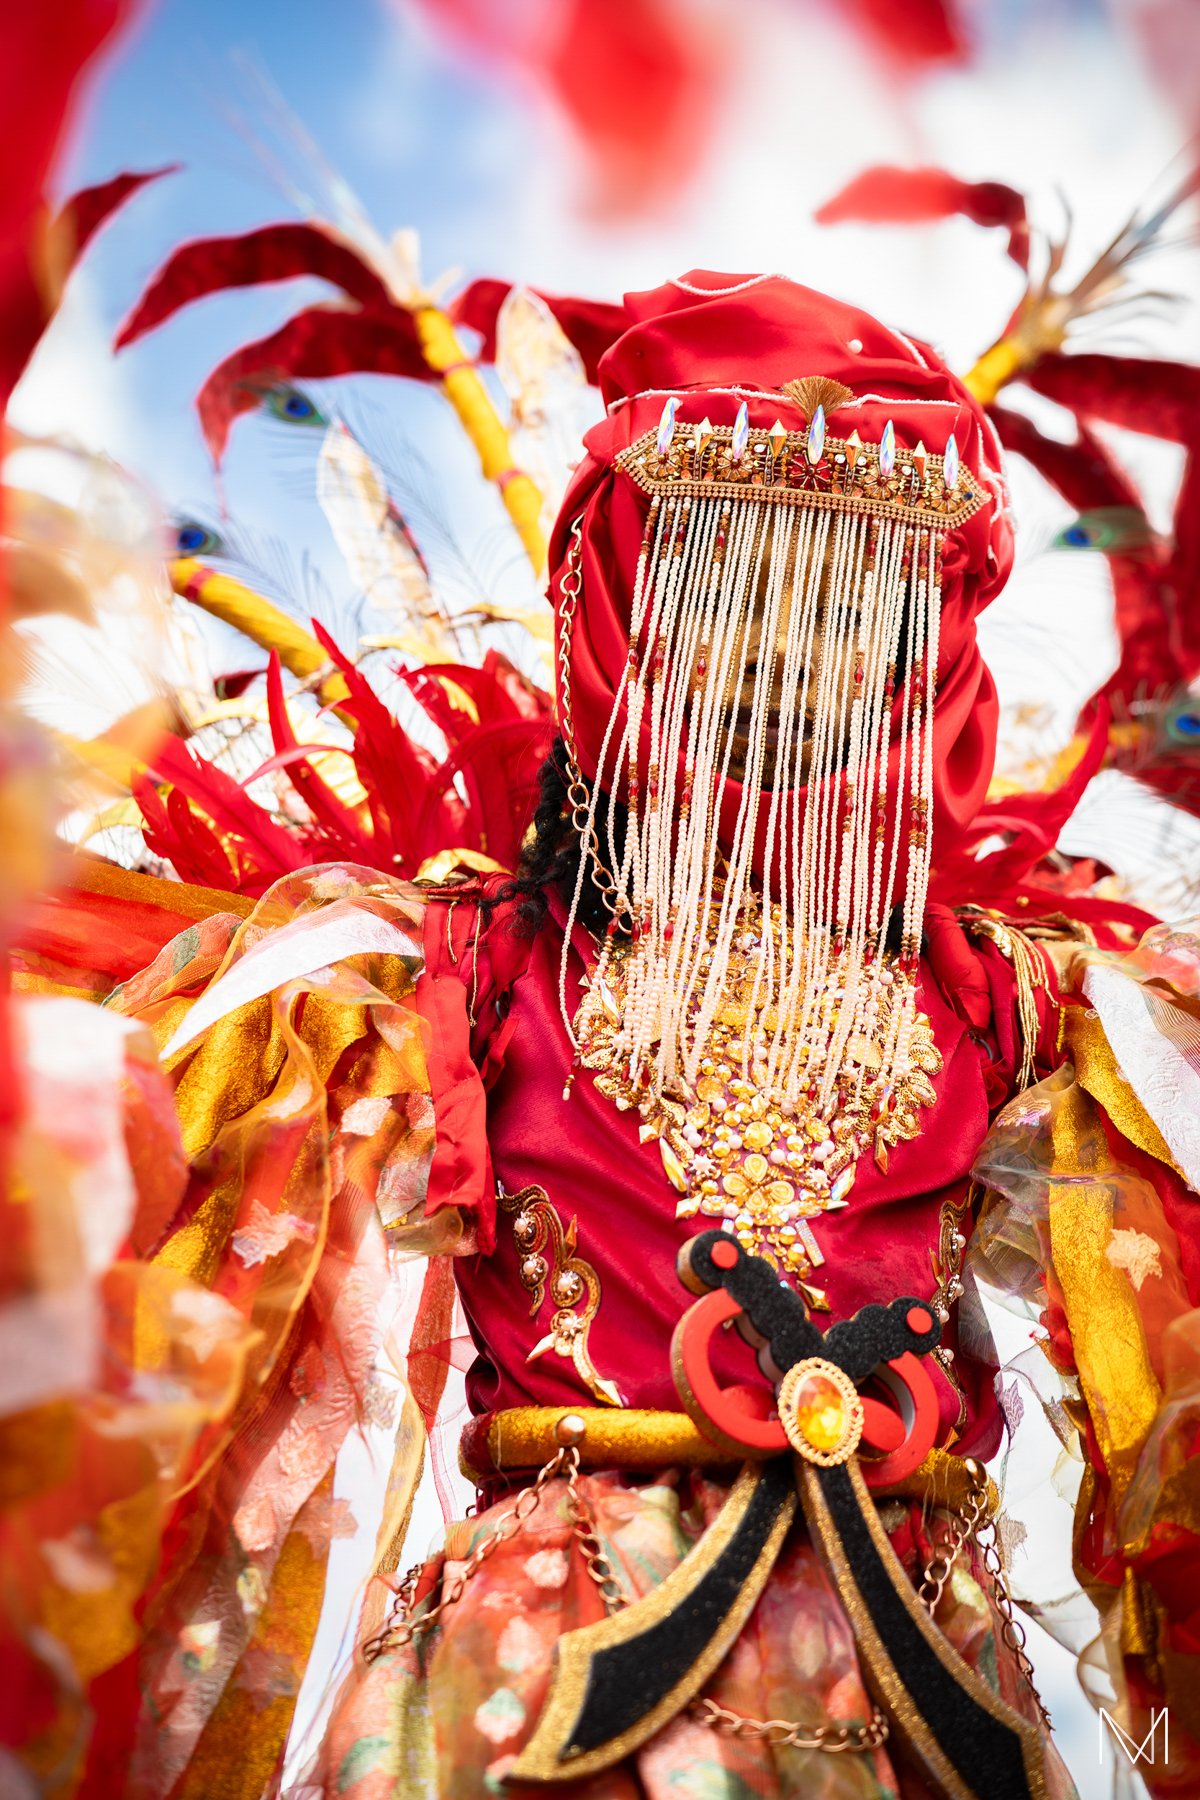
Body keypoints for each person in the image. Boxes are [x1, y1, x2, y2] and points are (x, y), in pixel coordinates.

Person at [26, 272, 1200, 1800]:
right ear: (631, 613)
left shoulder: (1012, 1005)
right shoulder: (463, 973)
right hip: (542, 1679)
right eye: (734, 594)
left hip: (917, 1691)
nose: (786, 664)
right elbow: (159, 1265)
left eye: (845, 611)